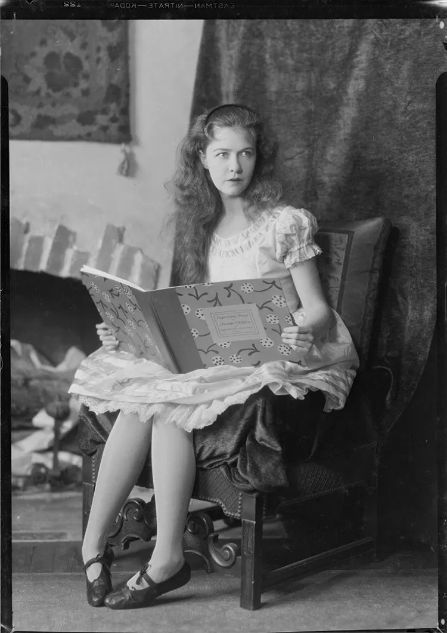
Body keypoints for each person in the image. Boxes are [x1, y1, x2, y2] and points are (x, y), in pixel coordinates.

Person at [69, 103, 359, 610]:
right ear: (201, 158)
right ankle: (92, 547)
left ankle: (166, 559)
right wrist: (126, 333)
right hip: (219, 351)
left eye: (245, 153)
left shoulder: (284, 223)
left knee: (167, 408)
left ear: (258, 158)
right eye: (222, 154)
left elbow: (316, 308)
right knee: (140, 401)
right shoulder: (201, 226)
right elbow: (190, 309)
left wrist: (299, 328)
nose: (234, 166)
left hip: (279, 349)